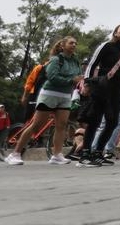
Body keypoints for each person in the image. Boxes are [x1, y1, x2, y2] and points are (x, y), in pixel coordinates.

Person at [5, 37, 83, 166]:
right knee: (36, 125)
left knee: (61, 125)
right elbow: (52, 77)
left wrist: (79, 81)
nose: (74, 45)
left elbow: (78, 77)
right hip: (49, 94)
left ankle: (57, 155)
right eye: (71, 43)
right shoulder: (56, 59)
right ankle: (15, 154)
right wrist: (71, 80)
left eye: (75, 43)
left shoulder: (75, 61)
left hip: (65, 96)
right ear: (62, 46)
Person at [79, 23, 120, 167]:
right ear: (115, 32)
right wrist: (87, 83)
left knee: (112, 122)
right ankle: (85, 154)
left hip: (116, 91)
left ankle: (98, 153)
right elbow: (93, 64)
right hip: (101, 86)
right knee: (94, 120)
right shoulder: (106, 46)